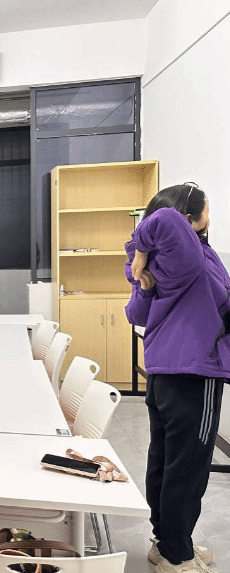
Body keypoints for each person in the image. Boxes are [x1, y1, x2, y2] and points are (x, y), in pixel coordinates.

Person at [125, 182, 227, 573]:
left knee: (166, 461)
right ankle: (177, 556)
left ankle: (166, 541)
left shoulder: (162, 260)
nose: (210, 217)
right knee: (188, 469)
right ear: (190, 219)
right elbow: (165, 218)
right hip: (194, 371)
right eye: (206, 210)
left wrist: (141, 265)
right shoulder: (185, 252)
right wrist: (141, 248)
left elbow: (137, 314)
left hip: (165, 373)